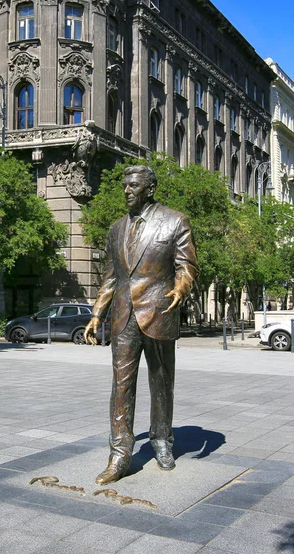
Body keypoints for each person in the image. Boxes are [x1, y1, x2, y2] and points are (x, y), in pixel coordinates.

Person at [84, 165, 198, 484]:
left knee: (161, 382)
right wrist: (96, 314)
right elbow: (111, 276)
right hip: (123, 315)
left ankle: (162, 440)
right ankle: (120, 453)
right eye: (125, 185)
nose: (126, 190)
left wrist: (180, 287)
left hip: (160, 310)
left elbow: (186, 265)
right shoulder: (117, 229)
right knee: (121, 384)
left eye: (133, 185)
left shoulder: (175, 221)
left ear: (149, 188)